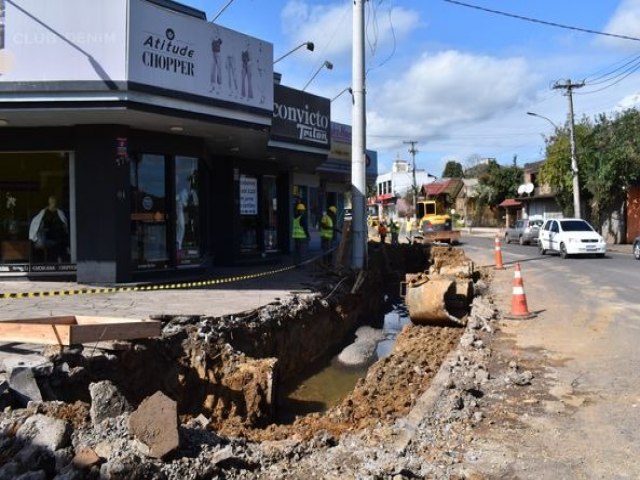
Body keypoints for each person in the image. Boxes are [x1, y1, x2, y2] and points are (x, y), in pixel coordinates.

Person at [29, 195, 69, 262]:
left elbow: (64, 224)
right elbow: (36, 222)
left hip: (58, 235)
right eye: (51, 201)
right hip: (46, 235)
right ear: (49, 202)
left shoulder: (59, 212)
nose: (52, 202)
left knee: (59, 243)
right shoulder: (44, 212)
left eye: (54, 201)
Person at [292, 202, 309, 267]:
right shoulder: (302, 218)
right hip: (302, 238)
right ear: (301, 211)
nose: (303, 212)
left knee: (296, 252)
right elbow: (305, 228)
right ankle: (302, 265)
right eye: (303, 210)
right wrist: (308, 236)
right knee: (302, 252)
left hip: (296, 238)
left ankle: (296, 264)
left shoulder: (295, 218)